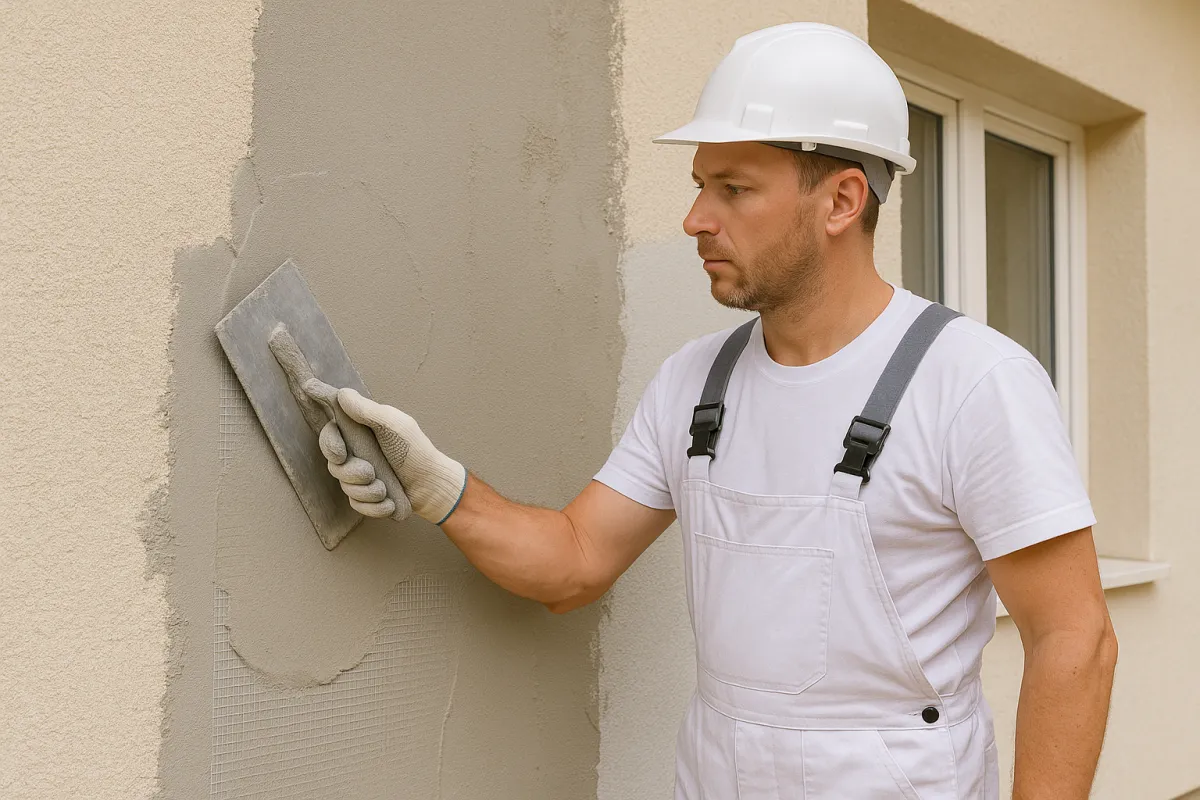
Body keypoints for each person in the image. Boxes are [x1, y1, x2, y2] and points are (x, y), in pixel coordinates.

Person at [320, 22, 1117, 799]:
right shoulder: (696, 384)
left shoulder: (973, 383)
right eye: (701, 185)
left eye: (733, 189)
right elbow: (572, 563)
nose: (696, 219)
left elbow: (1074, 640)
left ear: (842, 200)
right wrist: (439, 487)